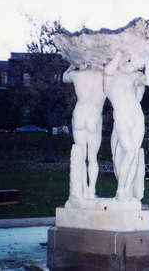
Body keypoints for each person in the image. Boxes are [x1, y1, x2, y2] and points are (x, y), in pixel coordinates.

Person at [104, 50, 149, 201]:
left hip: (137, 116)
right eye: (134, 63)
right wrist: (118, 54)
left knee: (134, 155)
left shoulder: (135, 76)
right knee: (128, 153)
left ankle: (127, 191)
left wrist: (147, 59)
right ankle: (121, 189)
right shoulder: (112, 75)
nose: (135, 67)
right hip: (122, 116)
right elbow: (107, 70)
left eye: (139, 66)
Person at [63, 63, 106, 199]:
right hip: (93, 115)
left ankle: (82, 189)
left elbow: (64, 77)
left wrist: (72, 66)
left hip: (79, 114)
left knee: (80, 156)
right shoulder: (104, 75)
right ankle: (91, 191)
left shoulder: (77, 75)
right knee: (92, 158)